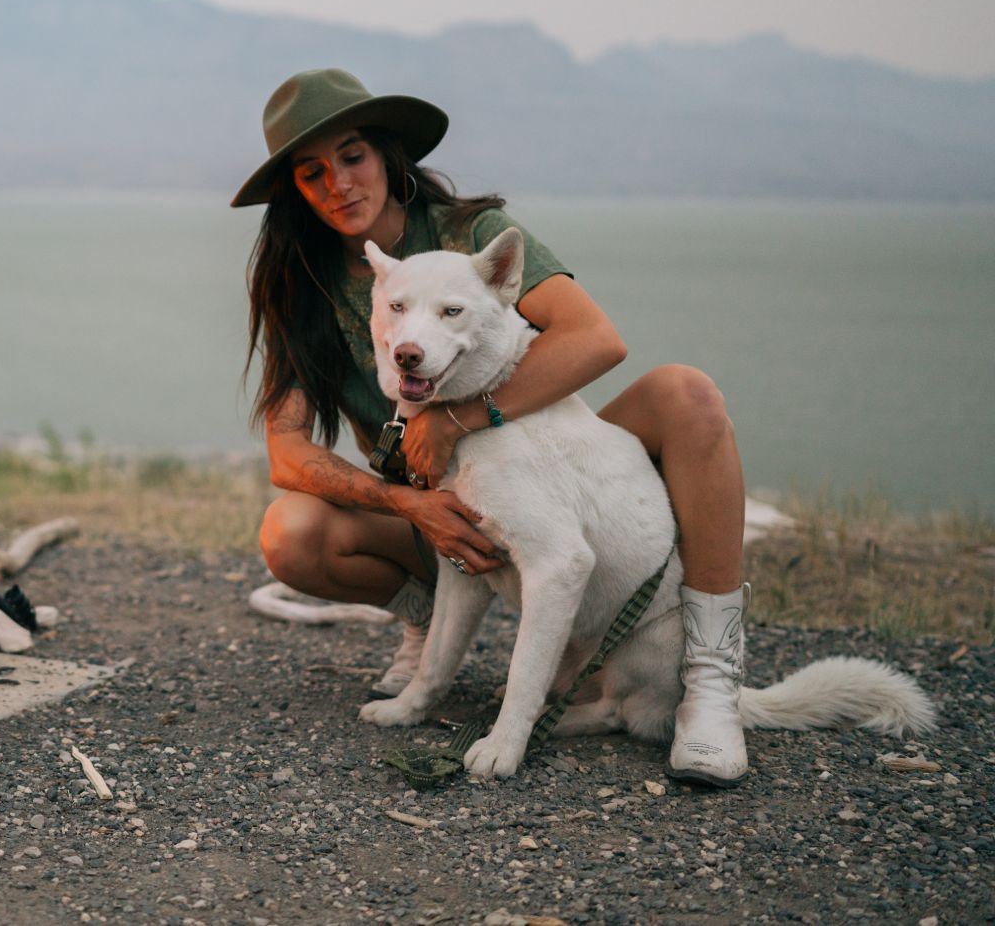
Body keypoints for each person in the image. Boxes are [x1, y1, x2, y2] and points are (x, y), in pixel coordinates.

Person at [236, 68, 751, 786]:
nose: (338, 184)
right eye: (311, 171)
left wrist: (461, 417)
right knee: (289, 532)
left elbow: (594, 339)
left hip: (524, 459)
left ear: (385, 154)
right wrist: (411, 502)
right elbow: (286, 452)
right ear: (295, 188)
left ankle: (712, 676)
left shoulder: (471, 235)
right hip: (428, 504)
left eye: (351, 156)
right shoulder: (304, 287)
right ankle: (427, 627)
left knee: (686, 396)